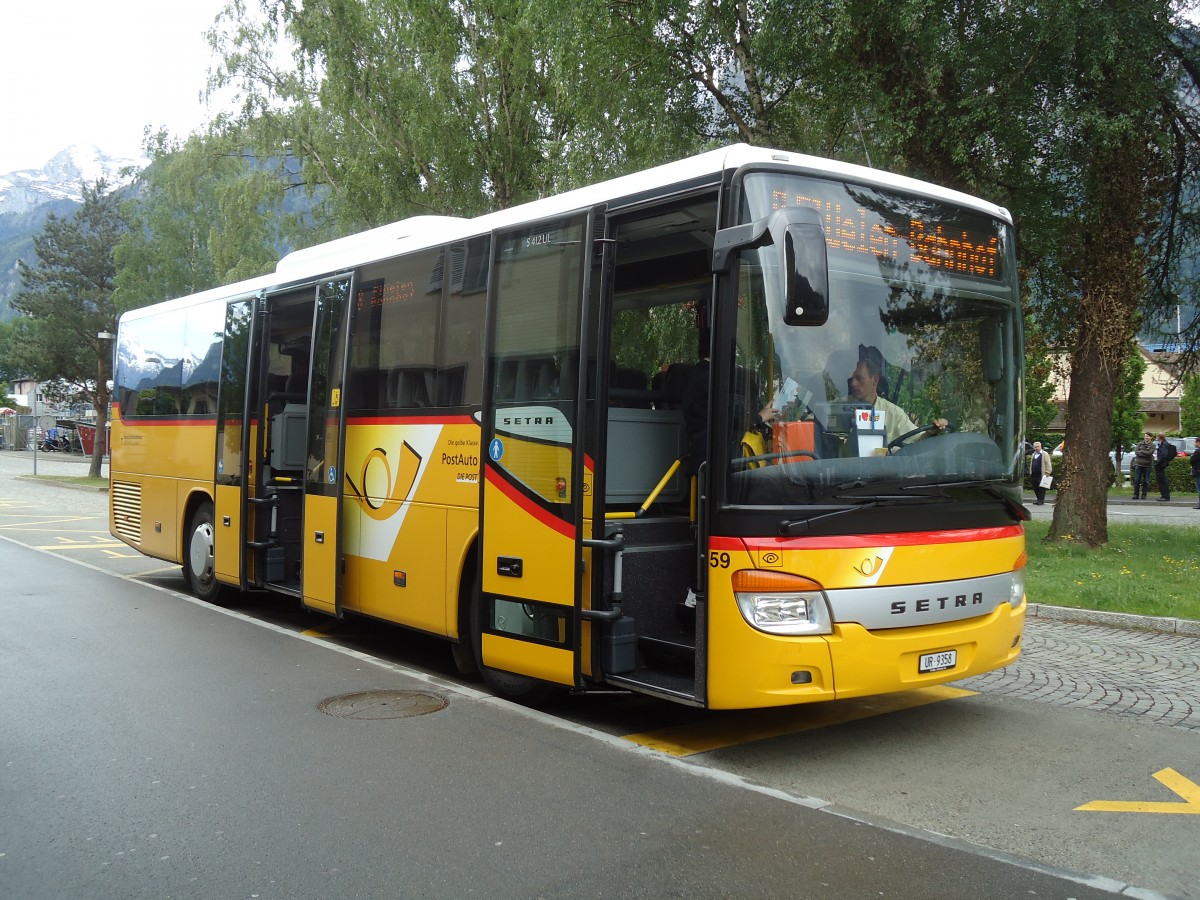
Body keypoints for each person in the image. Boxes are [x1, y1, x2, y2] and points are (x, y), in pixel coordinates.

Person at [847, 353, 947, 445]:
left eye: (859, 378)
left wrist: (931, 432)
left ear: (875, 379)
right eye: (852, 379)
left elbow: (916, 439)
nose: (853, 383)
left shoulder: (893, 413)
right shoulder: (838, 407)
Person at [1130, 431, 1155, 500]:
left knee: (1146, 480)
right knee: (1137, 480)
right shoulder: (1140, 444)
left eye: (1147, 436)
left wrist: (1142, 451)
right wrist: (1144, 453)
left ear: (1151, 437)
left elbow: (1150, 453)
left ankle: (1144, 494)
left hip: (1148, 465)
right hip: (1139, 464)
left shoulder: (1152, 445)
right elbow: (1136, 452)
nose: (1146, 437)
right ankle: (1136, 494)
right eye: (1145, 436)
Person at [1154, 432, 1175, 501]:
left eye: (1157, 436)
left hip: (1161, 465)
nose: (1156, 438)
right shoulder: (1164, 443)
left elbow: (1164, 455)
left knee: (1162, 480)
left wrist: (1159, 463)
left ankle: (1165, 496)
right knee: (1161, 480)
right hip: (1162, 464)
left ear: (1159, 437)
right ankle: (1164, 495)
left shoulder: (1164, 444)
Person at [1191, 444, 1200, 509]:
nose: (1194, 443)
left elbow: (1192, 460)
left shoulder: (1198, 451)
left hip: (1198, 471)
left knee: (1199, 488)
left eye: (1195, 442)